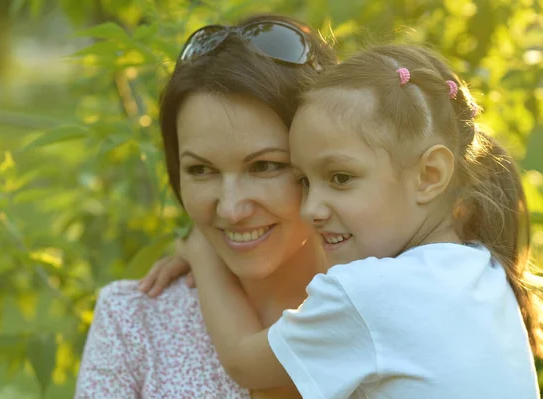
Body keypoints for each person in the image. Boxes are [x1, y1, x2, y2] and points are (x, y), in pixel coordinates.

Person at [174, 44, 542, 398]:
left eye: (340, 178)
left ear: (429, 175)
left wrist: (203, 253)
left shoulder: (367, 294)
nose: (310, 209)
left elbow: (243, 363)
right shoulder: (482, 266)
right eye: (303, 181)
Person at [74, 14, 338, 398]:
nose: (230, 209)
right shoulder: (134, 321)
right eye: (201, 170)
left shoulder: (395, 304)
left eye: (265, 165)